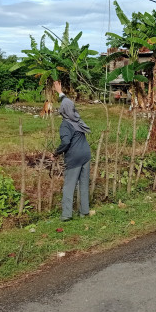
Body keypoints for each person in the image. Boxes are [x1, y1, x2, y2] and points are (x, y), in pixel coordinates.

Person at [52, 80, 92, 221]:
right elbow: (68, 104)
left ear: (62, 110)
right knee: (83, 184)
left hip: (75, 158)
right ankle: (84, 211)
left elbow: (66, 142)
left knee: (69, 186)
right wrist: (60, 92)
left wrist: (56, 152)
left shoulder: (65, 125)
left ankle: (66, 215)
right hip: (86, 155)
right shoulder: (76, 119)